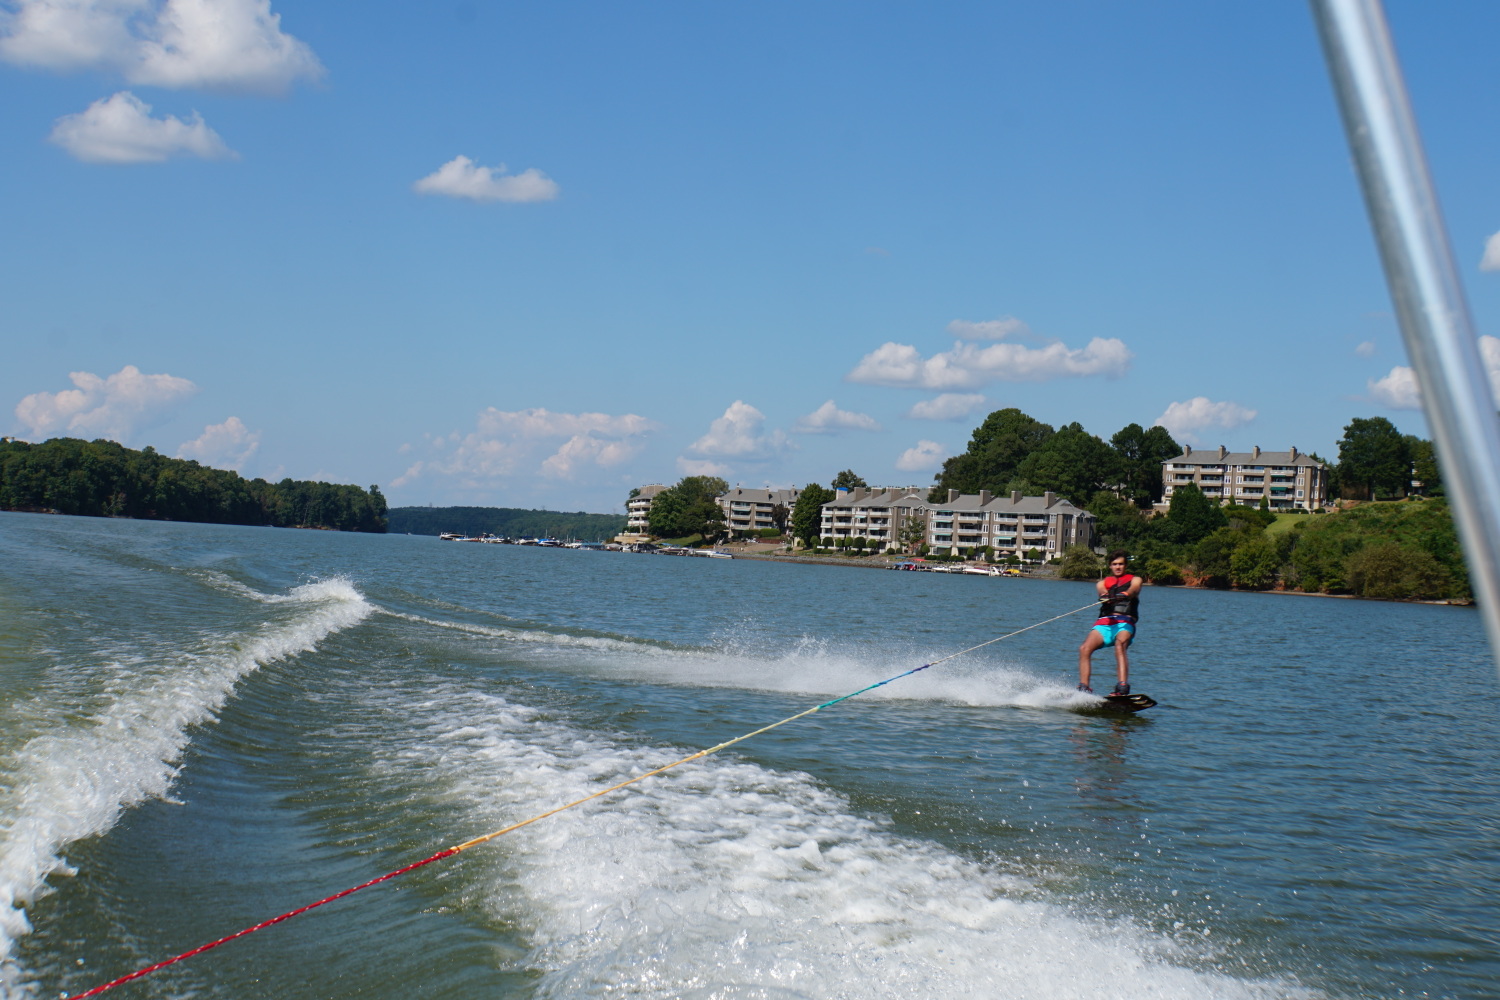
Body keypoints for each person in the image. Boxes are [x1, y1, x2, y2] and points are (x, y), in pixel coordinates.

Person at [1077, 550, 1141, 696]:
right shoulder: (1102, 583)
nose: (1118, 567)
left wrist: (1125, 594)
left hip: (1125, 623)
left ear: (1125, 565)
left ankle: (1122, 687)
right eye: (1115, 564)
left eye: (1121, 564)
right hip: (1104, 623)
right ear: (1110, 566)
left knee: (1120, 645)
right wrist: (1106, 596)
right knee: (1084, 648)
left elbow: (1134, 589)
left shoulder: (1135, 580)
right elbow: (1101, 591)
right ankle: (1084, 688)